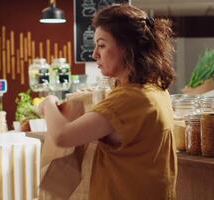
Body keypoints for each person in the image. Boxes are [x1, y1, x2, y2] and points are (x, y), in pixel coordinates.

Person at [38, 4, 177, 200]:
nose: (94, 54)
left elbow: (63, 136)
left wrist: (48, 103)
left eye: (102, 45)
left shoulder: (129, 99)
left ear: (127, 47)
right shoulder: (156, 89)